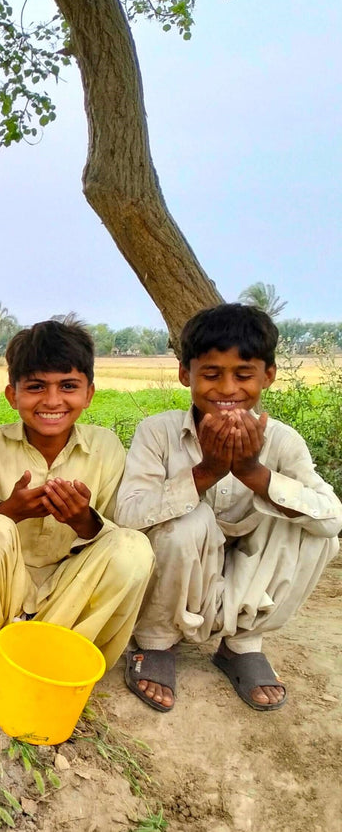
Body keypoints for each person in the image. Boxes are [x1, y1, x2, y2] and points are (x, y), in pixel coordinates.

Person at [115, 304, 341, 712]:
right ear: (185, 374)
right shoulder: (158, 433)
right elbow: (128, 515)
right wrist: (206, 473)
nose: (227, 389)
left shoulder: (282, 441)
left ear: (268, 376)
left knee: (315, 534)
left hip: (248, 568)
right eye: (211, 374)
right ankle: (155, 640)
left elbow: (331, 519)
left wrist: (255, 474)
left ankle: (241, 646)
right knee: (185, 522)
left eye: (243, 374)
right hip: (184, 563)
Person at [0, 320, 153, 695]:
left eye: (68, 386)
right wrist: (7, 512)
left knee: (134, 547)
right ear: (12, 395)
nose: (52, 400)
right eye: (36, 387)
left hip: (67, 604)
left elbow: (116, 547)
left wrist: (85, 521)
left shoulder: (106, 448)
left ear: (89, 394)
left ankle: (57, 656)